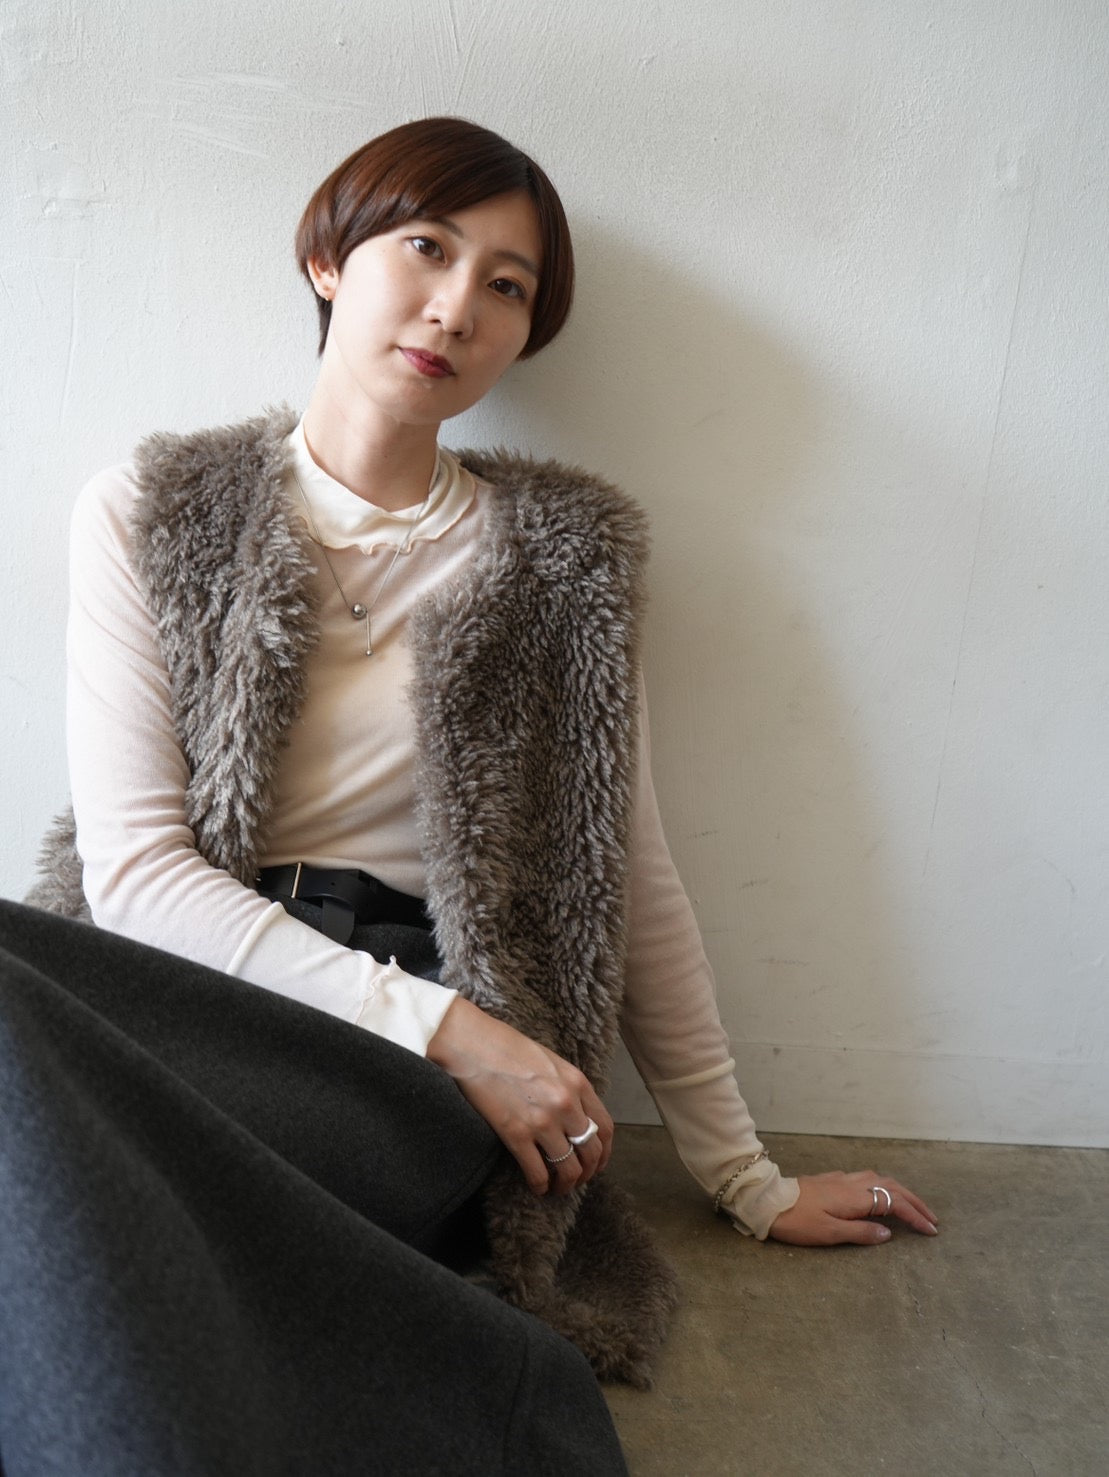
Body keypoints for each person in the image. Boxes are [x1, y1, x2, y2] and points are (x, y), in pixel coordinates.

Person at [12, 116, 936, 1472]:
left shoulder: (562, 556)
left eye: (506, 285)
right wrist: (457, 1034)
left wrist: (745, 1174)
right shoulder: (154, 507)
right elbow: (139, 876)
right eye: (425, 249)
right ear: (329, 260)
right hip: (202, 989)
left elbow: (625, 870)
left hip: (424, 1031)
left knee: (111, 1216)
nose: (456, 306)